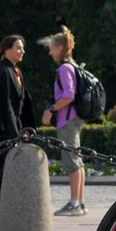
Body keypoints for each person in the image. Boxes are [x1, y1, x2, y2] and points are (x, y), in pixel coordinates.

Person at [38, 28, 87, 217]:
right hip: (74, 119)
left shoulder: (64, 68)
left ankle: (75, 204)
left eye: (51, 49)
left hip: (67, 120)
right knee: (77, 161)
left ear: (60, 48)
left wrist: (50, 110)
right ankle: (79, 202)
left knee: (72, 161)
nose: (50, 53)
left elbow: (68, 95)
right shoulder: (72, 66)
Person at [0, 35, 34, 215]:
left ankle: (5, 200)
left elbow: (22, 102)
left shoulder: (17, 71)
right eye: (18, 48)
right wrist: (9, 129)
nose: (22, 51)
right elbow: (1, 103)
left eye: (23, 48)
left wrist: (26, 127)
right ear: (7, 49)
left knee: (8, 166)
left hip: (15, 125)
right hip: (3, 127)